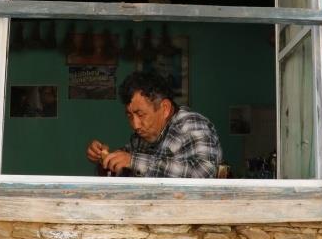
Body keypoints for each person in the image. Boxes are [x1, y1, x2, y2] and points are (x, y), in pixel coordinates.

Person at [86, 71, 222, 178]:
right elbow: (126, 161)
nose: (135, 125)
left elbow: (204, 174)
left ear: (165, 108)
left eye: (141, 114)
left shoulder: (192, 125)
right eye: (129, 115)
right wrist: (104, 157)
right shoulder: (143, 135)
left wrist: (134, 161)